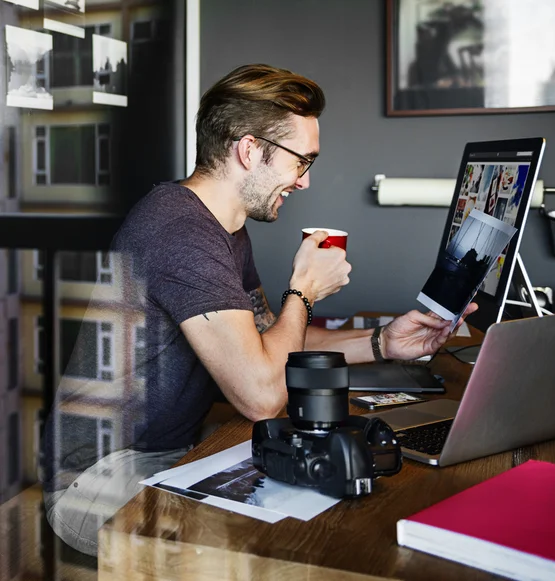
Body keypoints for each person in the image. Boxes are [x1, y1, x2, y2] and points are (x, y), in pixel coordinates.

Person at [42, 63, 476, 556]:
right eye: (302, 161)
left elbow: (271, 340)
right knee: (291, 545)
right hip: (99, 478)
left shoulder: (224, 227)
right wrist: (305, 290)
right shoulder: (179, 232)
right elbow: (262, 395)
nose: (305, 181)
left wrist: (382, 342)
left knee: (341, 498)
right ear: (249, 150)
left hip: (169, 452)